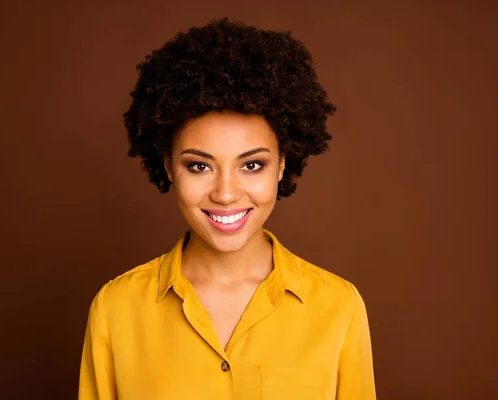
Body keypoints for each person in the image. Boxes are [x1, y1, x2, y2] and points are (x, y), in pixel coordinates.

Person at [79, 17, 376, 400]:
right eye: (199, 166)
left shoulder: (339, 307)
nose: (225, 193)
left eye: (252, 165)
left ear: (282, 164)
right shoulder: (115, 310)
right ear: (169, 166)